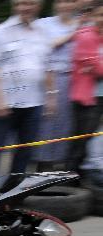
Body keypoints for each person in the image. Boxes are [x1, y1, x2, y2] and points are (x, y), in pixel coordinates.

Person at [0, 0, 57, 180]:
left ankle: (15, 190)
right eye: (21, 3)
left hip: (34, 102)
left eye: (30, 3)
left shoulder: (44, 33)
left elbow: (48, 67)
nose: (25, 7)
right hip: (4, 103)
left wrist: (51, 97)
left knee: (25, 151)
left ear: (38, 5)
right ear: (14, 6)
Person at [36, 0, 80, 169]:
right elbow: (46, 46)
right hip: (50, 78)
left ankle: (63, 169)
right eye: (62, 1)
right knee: (48, 123)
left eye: (70, 2)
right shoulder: (43, 23)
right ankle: (43, 167)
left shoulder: (83, 23)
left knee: (68, 126)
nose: (66, 5)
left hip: (76, 81)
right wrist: (72, 34)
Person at [67, 0, 103, 172]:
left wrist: (95, 65)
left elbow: (96, 66)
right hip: (88, 99)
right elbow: (98, 69)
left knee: (93, 143)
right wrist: (95, 65)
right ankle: (70, 183)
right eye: (100, 14)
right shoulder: (86, 36)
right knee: (81, 143)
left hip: (99, 96)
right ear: (92, 16)